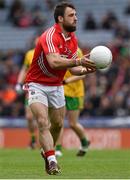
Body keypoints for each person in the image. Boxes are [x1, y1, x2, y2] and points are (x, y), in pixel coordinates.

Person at [24, 1, 96, 175]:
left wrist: (86, 69)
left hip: (56, 86)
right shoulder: (49, 36)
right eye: (72, 15)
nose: (76, 18)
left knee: (57, 125)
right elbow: (54, 62)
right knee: (42, 121)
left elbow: (72, 69)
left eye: (76, 15)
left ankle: (46, 151)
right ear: (60, 18)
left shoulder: (72, 40)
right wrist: (79, 60)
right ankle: (52, 160)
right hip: (37, 84)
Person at [56, 47, 90, 157]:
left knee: (72, 123)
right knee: (59, 120)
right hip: (62, 90)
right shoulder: (55, 50)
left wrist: (66, 81)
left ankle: (85, 142)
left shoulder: (77, 51)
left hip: (75, 93)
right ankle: (58, 148)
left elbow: (83, 74)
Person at [15, 36, 38, 149]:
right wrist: (19, 83)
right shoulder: (29, 54)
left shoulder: (50, 53)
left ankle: (48, 143)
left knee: (44, 118)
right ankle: (33, 140)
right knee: (29, 117)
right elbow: (24, 69)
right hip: (31, 87)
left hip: (46, 87)